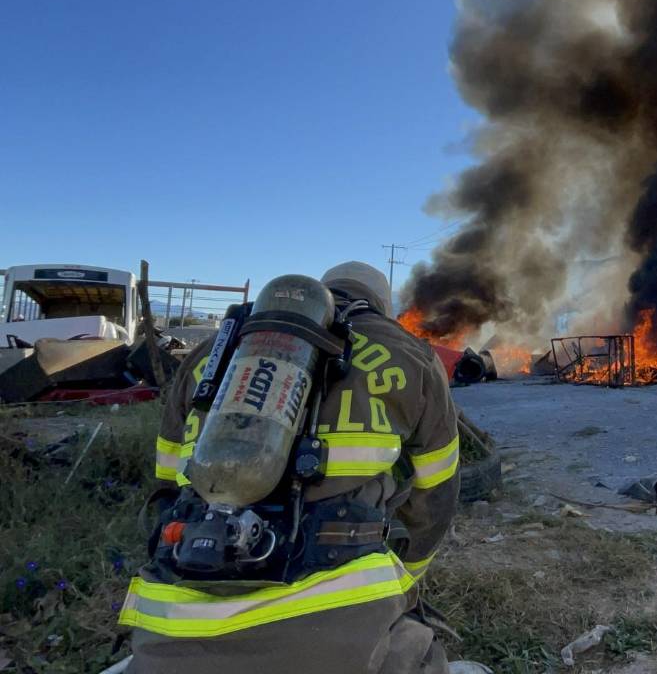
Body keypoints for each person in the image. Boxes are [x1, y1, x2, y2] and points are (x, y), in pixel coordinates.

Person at [119, 262, 461, 674]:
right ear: (383, 309)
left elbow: (168, 486)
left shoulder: (213, 352)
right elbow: (436, 493)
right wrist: (408, 574)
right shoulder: (409, 353)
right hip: (336, 632)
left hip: (170, 625)